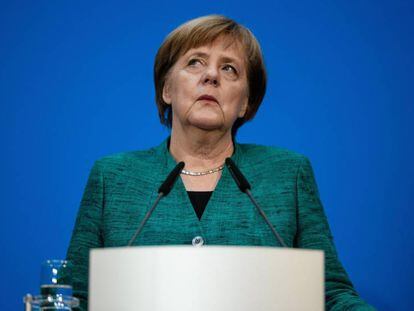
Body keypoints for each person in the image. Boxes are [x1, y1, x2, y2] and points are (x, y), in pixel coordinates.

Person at [67, 15, 375, 310]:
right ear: (167, 89)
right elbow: (75, 299)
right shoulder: (112, 178)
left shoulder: (289, 174)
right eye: (195, 62)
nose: (211, 75)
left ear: (245, 103)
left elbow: (330, 295)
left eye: (229, 69)